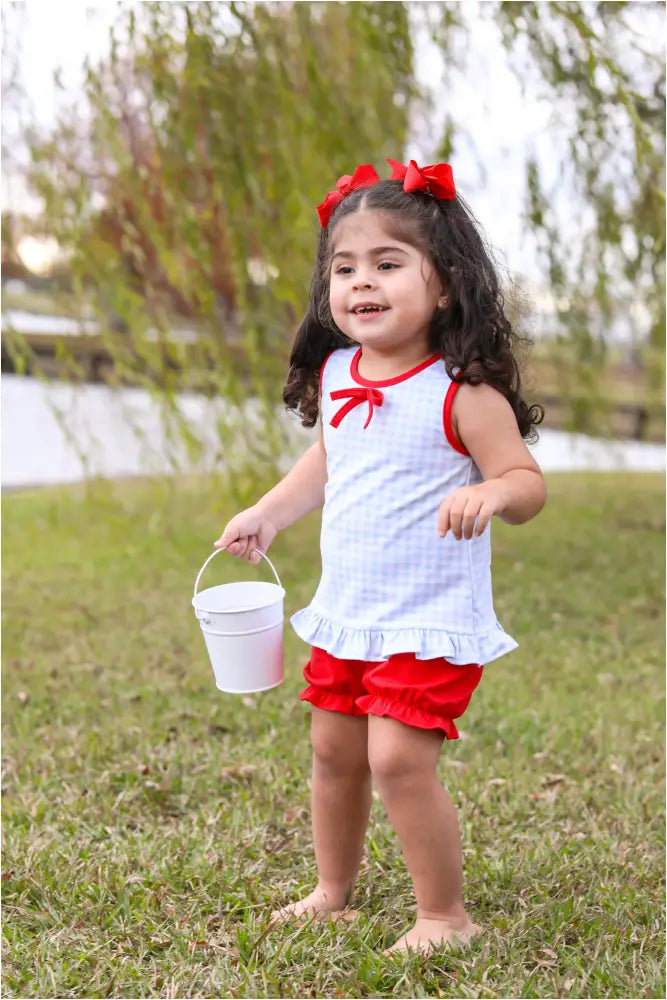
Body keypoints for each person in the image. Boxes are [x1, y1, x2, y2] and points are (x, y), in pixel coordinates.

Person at [215, 158, 546, 955]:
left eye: (387, 264)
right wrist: (268, 513)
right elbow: (326, 466)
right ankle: (333, 888)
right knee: (333, 751)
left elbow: (527, 483)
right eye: (345, 267)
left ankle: (444, 916)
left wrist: (493, 493)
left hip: (425, 616)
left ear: (445, 286)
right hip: (349, 610)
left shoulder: (462, 392)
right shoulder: (337, 374)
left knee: (396, 758)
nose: (361, 282)